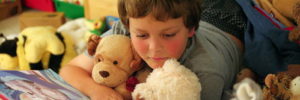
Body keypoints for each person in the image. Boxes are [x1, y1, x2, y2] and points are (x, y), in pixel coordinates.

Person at [59, 0, 246, 99]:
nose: (154, 49)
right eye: (141, 36)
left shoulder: (205, 70)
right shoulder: (123, 33)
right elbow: (70, 70)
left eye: (168, 35)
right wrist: (97, 91)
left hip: (223, 18)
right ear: (126, 26)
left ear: (190, 30)